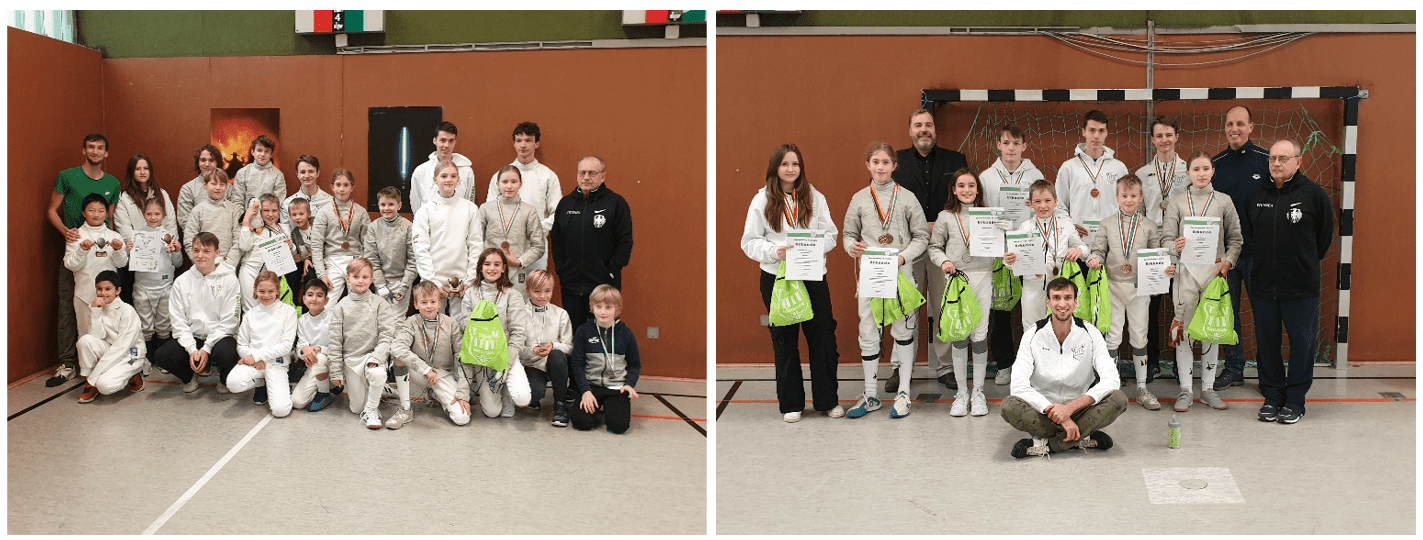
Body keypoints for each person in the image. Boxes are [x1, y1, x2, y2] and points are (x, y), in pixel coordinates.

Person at [740, 143, 842, 422]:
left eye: (795, 164)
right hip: (777, 278)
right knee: (784, 340)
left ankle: (827, 400)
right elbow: (749, 242)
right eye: (785, 164)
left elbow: (831, 235)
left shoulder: (815, 197)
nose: (790, 169)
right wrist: (775, 251)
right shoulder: (761, 200)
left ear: (801, 168)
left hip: (812, 277)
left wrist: (814, 246)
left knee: (822, 338)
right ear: (775, 168)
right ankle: (791, 403)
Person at [1241, 139, 1333, 425]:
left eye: (1283, 158)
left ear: (1298, 162)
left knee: (1302, 343)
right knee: (1267, 343)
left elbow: (1323, 239)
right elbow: (1249, 238)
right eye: (1272, 159)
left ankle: (1295, 400)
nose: (1277, 164)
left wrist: (1299, 264)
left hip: (1301, 287)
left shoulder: (1314, 195)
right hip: (1264, 286)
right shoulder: (1256, 196)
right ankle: (1272, 397)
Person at [842, 142, 929, 419]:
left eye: (886, 162)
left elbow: (922, 236)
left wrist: (903, 258)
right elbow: (847, 234)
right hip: (870, 273)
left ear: (894, 166)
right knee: (868, 331)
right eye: (875, 162)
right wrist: (851, 247)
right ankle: (870, 395)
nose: (880, 167)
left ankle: (903, 393)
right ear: (868, 164)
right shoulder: (858, 199)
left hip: (900, 271)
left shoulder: (907, 197)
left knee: (903, 330)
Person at [1001, 277, 1127, 458]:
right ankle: (1081, 436)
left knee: (1118, 398)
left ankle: (1047, 445)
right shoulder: (1032, 335)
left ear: (1076, 302)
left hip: (1080, 410)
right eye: (1056, 297)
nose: (1062, 303)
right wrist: (1055, 412)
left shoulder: (1091, 333)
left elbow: (1111, 379)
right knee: (1009, 406)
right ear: (1048, 302)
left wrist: (1069, 409)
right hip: (1043, 412)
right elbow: (1018, 385)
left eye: (1068, 297)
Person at [892, 109, 969, 393]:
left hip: (943, 249)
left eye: (928, 125)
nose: (924, 129)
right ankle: (901, 367)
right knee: (904, 307)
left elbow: (962, 198)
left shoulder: (955, 160)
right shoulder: (896, 162)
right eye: (918, 125)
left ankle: (945, 366)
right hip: (907, 248)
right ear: (910, 130)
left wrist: (942, 222)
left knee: (943, 306)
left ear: (935, 129)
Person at [1160, 152, 1243, 413]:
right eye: (1196, 168)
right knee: (1183, 333)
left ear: (1213, 171)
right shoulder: (1176, 201)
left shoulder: (1224, 201)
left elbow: (1236, 240)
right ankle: (1185, 390)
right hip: (1185, 275)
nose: (1201, 173)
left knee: (1210, 332)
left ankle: (1207, 389)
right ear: (1188, 173)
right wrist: (1175, 245)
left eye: (1206, 168)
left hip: (1213, 276)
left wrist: (1228, 261)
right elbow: (1165, 240)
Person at [979, 125, 1055, 386]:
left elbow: (1044, 208)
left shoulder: (1035, 175)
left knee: (1033, 305)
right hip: (998, 251)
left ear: (1024, 146)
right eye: (1006, 143)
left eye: (1016, 143)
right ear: (998, 145)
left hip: (1029, 248)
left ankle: (1039, 363)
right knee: (1000, 310)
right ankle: (1004, 364)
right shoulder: (986, 177)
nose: (1010, 148)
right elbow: (979, 213)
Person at [46, 133, 122, 387]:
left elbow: (110, 218)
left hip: (102, 256)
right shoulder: (68, 176)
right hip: (76, 250)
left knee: (106, 309)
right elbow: (51, 211)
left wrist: (113, 243)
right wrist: (67, 232)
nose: (96, 151)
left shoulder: (112, 182)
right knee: (69, 307)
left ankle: (107, 360)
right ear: (84, 150)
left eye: (101, 147)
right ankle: (68, 363)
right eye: (91, 147)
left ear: (106, 153)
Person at [1085, 174, 1165, 410]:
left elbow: (1156, 256)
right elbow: (1098, 250)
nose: (1129, 200)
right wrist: (1093, 259)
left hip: (1140, 289)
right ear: (1117, 197)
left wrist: (1164, 267)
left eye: (1133, 196)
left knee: (1140, 337)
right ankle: (1111, 387)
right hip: (1113, 287)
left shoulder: (1149, 225)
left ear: (1141, 197)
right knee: (1113, 336)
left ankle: (1142, 387)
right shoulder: (1107, 223)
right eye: (1124, 196)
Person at [1209, 106, 1271, 391]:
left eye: (1240, 123)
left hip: (1260, 254)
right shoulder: (1216, 164)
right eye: (1230, 123)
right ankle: (1234, 368)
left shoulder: (1266, 161)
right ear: (1225, 127)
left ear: (1251, 127)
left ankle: (1268, 372)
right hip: (1226, 257)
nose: (1235, 128)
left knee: (1263, 312)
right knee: (1229, 312)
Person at [1002, 180, 1088, 382]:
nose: (1043, 206)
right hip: (1033, 286)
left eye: (1048, 200)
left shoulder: (1066, 225)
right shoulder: (1025, 226)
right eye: (1038, 201)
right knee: (1032, 329)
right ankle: (1033, 377)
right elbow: (1012, 260)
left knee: (1063, 328)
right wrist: (1009, 260)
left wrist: (1079, 250)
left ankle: (1064, 375)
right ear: (1030, 203)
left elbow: (1084, 248)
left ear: (1056, 202)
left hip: (1060, 287)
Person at [927, 169, 994, 417]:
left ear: (978, 189)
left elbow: (1002, 249)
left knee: (979, 335)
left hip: (983, 278)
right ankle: (961, 393)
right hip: (956, 280)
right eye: (961, 186)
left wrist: (1005, 238)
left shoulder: (988, 216)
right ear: (954, 190)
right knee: (959, 334)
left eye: (971, 185)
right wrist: (943, 260)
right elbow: (934, 247)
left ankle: (978, 392)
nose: (967, 190)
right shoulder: (945, 217)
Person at [1133, 117, 1189, 382]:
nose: (1164, 140)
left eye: (1169, 134)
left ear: (1176, 137)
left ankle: (1181, 365)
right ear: (1153, 140)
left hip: (1181, 243)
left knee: (1181, 305)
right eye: (1159, 136)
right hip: (1153, 247)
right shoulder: (1143, 173)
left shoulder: (1189, 171)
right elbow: (1140, 212)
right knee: (1150, 307)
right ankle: (1153, 361)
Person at [550, 156, 633, 330]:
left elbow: (625, 241)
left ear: (602, 176)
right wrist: (562, 268)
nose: (586, 177)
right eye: (582, 172)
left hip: (603, 284)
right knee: (574, 333)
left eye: (592, 173)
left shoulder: (616, 203)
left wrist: (610, 271)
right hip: (571, 283)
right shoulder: (566, 204)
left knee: (602, 334)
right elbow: (557, 240)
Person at [152, 232, 241, 395]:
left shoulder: (229, 280)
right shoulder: (181, 281)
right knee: (162, 356)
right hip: (192, 338)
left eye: (206, 251)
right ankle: (189, 376)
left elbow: (230, 321)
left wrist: (207, 348)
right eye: (196, 250)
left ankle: (223, 378)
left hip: (219, 338)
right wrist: (192, 349)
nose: (200, 256)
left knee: (228, 353)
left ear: (217, 253)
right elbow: (178, 321)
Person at [388, 281, 472, 428]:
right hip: (420, 372)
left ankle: (433, 394)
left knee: (462, 418)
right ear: (416, 304)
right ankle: (405, 409)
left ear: (440, 303)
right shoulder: (411, 323)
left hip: (442, 375)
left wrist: (463, 393)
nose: (429, 306)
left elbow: (462, 357)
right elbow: (397, 347)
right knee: (399, 358)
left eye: (433, 301)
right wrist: (425, 369)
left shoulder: (451, 324)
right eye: (424, 302)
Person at [328, 258, 399, 429]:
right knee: (355, 408)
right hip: (351, 360)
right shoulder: (340, 307)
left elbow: (387, 335)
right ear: (348, 278)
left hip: (371, 357)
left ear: (371, 279)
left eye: (365, 277)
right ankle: (381, 390)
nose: (360, 280)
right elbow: (335, 341)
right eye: (356, 276)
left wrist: (376, 357)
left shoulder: (380, 304)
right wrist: (336, 372)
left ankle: (371, 410)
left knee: (377, 375)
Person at [462, 248, 533, 419]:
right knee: (492, 412)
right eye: (487, 264)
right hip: (482, 355)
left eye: (497, 264)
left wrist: (505, 365)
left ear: (503, 268)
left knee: (523, 398)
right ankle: (489, 387)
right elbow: (464, 325)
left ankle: (507, 391)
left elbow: (518, 333)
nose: (491, 268)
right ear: (480, 268)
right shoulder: (471, 293)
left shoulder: (513, 295)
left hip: (505, 353)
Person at [412, 157, 482, 322]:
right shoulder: (425, 211)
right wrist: (433, 282)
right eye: (444, 176)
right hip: (433, 280)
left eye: (453, 176)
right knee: (434, 325)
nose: (448, 180)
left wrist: (470, 279)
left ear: (458, 180)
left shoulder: (470, 209)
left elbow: (476, 245)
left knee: (462, 325)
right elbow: (420, 249)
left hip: (463, 282)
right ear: (435, 180)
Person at [486, 122, 562, 271]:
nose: (523, 145)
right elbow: (491, 211)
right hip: (506, 246)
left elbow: (557, 214)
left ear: (537, 144)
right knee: (507, 292)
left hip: (535, 246)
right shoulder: (500, 176)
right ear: (514, 144)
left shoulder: (548, 176)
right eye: (519, 140)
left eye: (528, 140)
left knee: (535, 291)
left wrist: (534, 229)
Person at [226, 271, 300, 417]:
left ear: (278, 291)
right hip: (254, 363)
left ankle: (278, 384)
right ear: (255, 291)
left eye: (271, 291)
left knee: (281, 411)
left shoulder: (288, 312)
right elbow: (241, 344)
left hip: (276, 363)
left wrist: (258, 356)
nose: (266, 295)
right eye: (261, 291)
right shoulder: (250, 315)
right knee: (233, 383)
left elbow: (286, 346)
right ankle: (260, 384)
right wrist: (253, 359)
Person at [570, 284, 641, 434]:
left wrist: (629, 384)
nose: (602, 312)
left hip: (616, 387)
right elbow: (577, 364)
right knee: (581, 423)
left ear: (617, 309)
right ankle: (595, 410)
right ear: (592, 307)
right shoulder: (584, 331)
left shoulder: (626, 334)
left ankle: (611, 409)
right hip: (591, 386)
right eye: (598, 306)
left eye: (608, 307)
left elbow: (635, 365)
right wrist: (585, 391)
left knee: (618, 427)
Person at [1055, 110, 1130, 244]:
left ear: (1106, 133)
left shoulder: (1119, 168)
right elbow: (1059, 206)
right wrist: (1069, 227)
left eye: (1101, 131)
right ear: (1083, 131)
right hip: (1077, 241)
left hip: (1111, 241)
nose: (1096, 136)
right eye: (1092, 130)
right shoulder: (1068, 168)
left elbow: (1126, 205)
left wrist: (1118, 228)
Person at [65, 194, 130, 343]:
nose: (96, 214)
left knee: (111, 336)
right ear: (83, 213)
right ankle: (87, 367)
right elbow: (70, 265)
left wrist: (119, 250)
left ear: (107, 213)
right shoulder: (76, 235)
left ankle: (109, 366)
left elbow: (121, 264)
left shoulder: (114, 237)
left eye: (101, 211)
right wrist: (82, 250)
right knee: (86, 338)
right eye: (91, 210)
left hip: (109, 295)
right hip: (84, 295)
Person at [113, 154, 177, 305]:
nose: (142, 172)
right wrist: (141, 249)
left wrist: (168, 243)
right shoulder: (124, 197)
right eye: (138, 169)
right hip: (137, 260)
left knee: (163, 310)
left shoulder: (162, 194)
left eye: (146, 168)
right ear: (132, 172)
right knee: (139, 305)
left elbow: (171, 225)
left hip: (162, 259)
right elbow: (123, 227)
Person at [74, 271, 147, 402]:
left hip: (131, 354)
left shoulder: (127, 311)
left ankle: (133, 376)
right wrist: (95, 311)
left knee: (104, 386)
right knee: (85, 341)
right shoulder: (100, 308)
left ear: (118, 290)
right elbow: (96, 335)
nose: (103, 293)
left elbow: (121, 347)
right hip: (112, 349)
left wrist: (94, 378)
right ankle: (90, 385)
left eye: (108, 289)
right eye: (99, 289)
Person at [476, 165, 546, 296]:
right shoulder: (485, 209)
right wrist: (484, 264)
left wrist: (520, 262)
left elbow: (539, 246)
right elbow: (475, 241)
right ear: (497, 184)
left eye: (514, 182)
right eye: (504, 182)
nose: (509, 186)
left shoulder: (529, 211)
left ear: (520, 184)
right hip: (489, 272)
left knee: (515, 310)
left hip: (516, 273)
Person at [127, 197, 184, 356]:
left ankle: (163, 358)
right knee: (145, 324)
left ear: (164, 215)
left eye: (157, 214)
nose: (153, 217)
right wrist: (129, 250)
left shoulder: (170, 235)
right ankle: (146, 358)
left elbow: (178, 263)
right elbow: (130, 264)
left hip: (165, 285)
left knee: (164, 323)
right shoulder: (137, 236)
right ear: (143, 215)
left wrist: (177, 250)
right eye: (149, 214)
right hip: (143, 286)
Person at [520, 270, 574, 426]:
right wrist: (532, 350)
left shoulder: (561, 314)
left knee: (557, 355)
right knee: (532, 395)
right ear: (528, 291)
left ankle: (560, 404)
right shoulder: (520, 314)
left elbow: (569, 347)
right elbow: (515, 346)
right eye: (537, 291)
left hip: (554, 364)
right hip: (531, 363)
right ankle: (535, 396)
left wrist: (553, 346)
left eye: (547, 291)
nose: (542, 296)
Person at [310, 169, 371, 303]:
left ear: (352, 187)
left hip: (356, 262)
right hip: (332, 262)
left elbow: (368, 244)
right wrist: (322, 274)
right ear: (332, 187)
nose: (341, 189)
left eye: (346, 185)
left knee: (359, 303)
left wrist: (365, 268)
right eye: (338, 185)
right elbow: (316, 245)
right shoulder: (324, 212)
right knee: (326, 305)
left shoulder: (361, 212)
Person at [236, 194, 296, 312]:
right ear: (259, 211)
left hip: (271, 275)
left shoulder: (285, 228)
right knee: (250, 308)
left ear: (279, 212)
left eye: (274, 210)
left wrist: (292, 247)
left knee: (269, 308)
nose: (270, 214)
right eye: (266, 210)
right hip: (250, 270)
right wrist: (246, 223)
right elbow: (244, 246)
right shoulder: (254, 228)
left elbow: (291, 256)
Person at [363, 186, 418, 315]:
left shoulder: (408, 227)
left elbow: (413, 260)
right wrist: (380, 285)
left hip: (402, 281)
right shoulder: (373, 227)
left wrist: (404, 286)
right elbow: (371, 258)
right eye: (382, 204)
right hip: (381, 281)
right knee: (382, 319)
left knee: (397, 321)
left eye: (391, 204)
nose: (386, 208)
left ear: (399, 206)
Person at [409, 121, 474, 213]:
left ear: (455, 142)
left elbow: (469, 201)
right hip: (429, 224)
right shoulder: (421, 171)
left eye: (451, 141)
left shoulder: (466, 171)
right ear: (435, 140)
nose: (446, 145)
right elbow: (415, 202)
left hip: (457, 224)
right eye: (443, 140)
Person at [183, 169, 244, 266]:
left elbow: (239, 239)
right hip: (203, 264)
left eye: (222, 184)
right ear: (205, 185)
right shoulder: (197, 210)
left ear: (227, 187)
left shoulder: (234, 210)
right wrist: (200, 263)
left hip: (227, 265)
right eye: (213, 184)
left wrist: (229, 264)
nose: (218, 188)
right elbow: (189, 240)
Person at [228, 135, 286, 208]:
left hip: (269, 216)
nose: (262, 154)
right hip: (246, 216)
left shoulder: (278, 175)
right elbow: (237, 200)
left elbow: (279, 201)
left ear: (271, 154)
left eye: (266, 151)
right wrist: (244, 217)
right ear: (252, 152)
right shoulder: (242, 173)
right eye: (259, 150)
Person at [176, 144, 224, 230]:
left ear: (217, 163)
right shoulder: (187, 189)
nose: (207, 164)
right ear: (198, 163)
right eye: (203, 160)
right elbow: (185, 221)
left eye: (211, 160)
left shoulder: (228, 188)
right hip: (198, 239)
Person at [281, 154, 333, 227]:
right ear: (297, 174)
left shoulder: (331, 202)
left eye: (311, 171)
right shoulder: (287, 204)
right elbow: (285, 233)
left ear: (317, 173)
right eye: (302, 172)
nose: (306, 176)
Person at [284, 198, 318, 312]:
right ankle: (291, 304)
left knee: (310, 275)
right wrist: (296, 256)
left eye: (301, 214)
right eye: (294, 214)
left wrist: (310, 258)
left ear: (308, 214)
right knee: (291, 272)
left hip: (319, 258)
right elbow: (298, 253)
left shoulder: (318, 225)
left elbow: (326, 244)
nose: (298, 217)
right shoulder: (294, 233)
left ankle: (307, 309)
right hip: (304, 261)